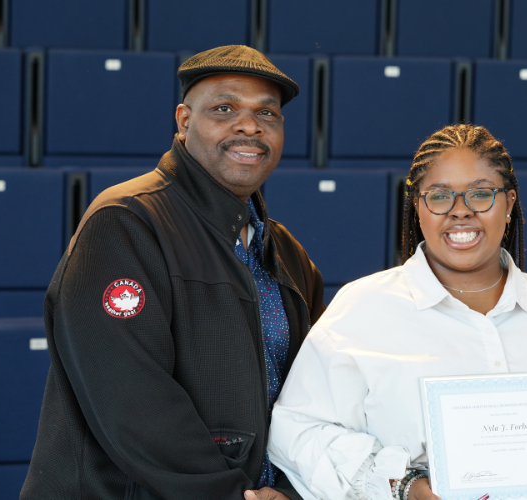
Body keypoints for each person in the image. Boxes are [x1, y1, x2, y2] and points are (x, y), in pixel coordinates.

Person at [267, 124, 527, 500]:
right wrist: (403, 485)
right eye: (439, 196)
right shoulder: (362, 310)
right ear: (418, 207)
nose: (460, 212)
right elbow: (297, 431)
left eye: (481, 194)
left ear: (509, 203)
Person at [21, 46, 324, 500]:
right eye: (225, 109)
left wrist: (289, 488)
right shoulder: (125, 223)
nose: (250, 126)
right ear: (183, 121)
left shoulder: (286, 252)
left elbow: (317, 392)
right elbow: (131, 400)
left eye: (268, 114)